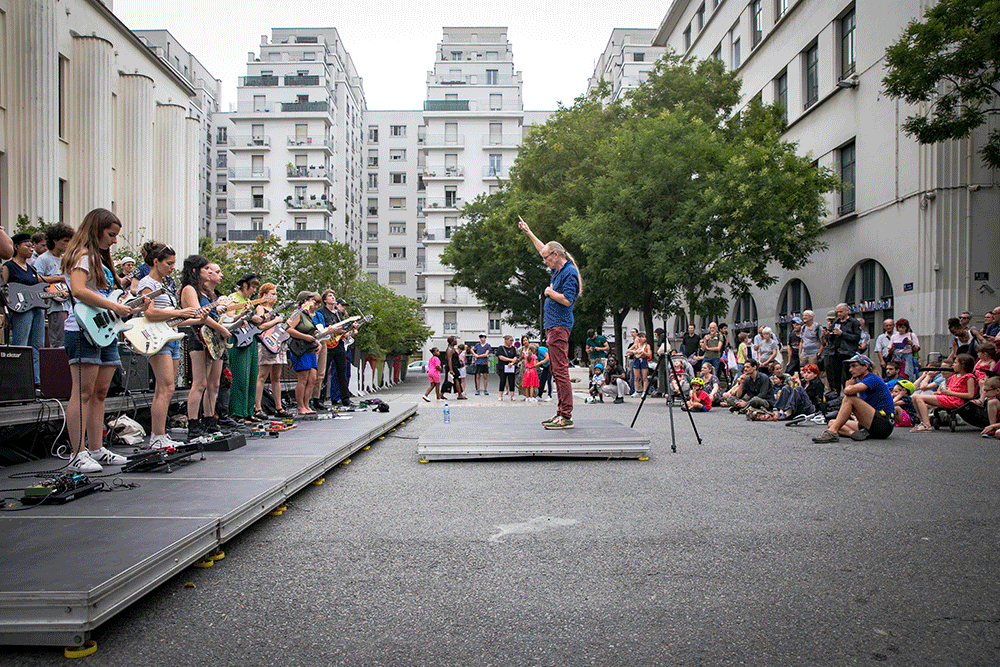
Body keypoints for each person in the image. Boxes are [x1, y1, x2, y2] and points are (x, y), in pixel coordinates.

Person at [61, 209, 145, 472]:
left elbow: (108, 296)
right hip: (82, 330)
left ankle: (96, 449)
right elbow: (78, 290)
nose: (114, 241)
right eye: (111, 234)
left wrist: (129, 306)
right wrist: (115, 307)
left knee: (99, 393)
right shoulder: (83, 255)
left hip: (104, 331)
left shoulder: (100, 259)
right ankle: (78, 452)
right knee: (83, 392)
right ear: (95, 230)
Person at [518, 216, 580, 429]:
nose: (544, 261)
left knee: (560, 371)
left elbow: (568, 299)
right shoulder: (559, 268)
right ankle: (561, 412)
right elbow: (542, 248)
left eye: (546, 258)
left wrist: (549, 292)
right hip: (553, 327)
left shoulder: (569, 273)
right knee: (556, 369)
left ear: (555, 255)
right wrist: (528, 232)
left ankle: (566, 415)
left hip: (559, 327)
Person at [136, 243, 198, 449]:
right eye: (169, 263)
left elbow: (173, 318)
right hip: (156, 338)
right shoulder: (147, 283)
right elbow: (150, 313)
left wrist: (195, 318)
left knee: (168, 388)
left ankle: (160, 433)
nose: (173, 267)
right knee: (164, 387)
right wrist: (180, 312)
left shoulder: (166, 285)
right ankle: (157, 435)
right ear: (156, 262)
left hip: (170, 337)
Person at [179, 257, 229, 440]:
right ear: (195, 271)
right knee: (199, 383)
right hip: (199, 338)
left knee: (214, 383)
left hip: (214, 339)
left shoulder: (207, 291)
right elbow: (199, 315)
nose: (210, 271)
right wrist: (221, 329)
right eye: (205, 268)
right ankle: (193, 423)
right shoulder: (189, 289)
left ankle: (210, 419)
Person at [2, 233, 58, 384]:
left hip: (37, 308)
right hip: (21, 310)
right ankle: (17, 380)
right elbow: (3, 289)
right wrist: (5, 312)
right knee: (21, 343)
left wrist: (58, 293)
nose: (31, 249)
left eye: (31, 246)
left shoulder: (32, 269)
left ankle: (35, 381)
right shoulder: (9, 266)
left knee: (37, 345)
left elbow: (39, 289)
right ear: (16, 247)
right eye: (27, 246)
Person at [811, 354, 895, 442]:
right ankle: (853, 434)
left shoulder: (872, 378)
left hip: (884, 424)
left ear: (865, 366)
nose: (850, 370)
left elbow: (848, 392)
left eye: (854, 366)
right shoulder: (862, 381)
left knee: (849, 399)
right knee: (832, 423)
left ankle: (832, 433)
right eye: (850, 367)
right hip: (870, 423)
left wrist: (848, 386)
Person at [226, 273, 262, 424]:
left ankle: (248, 411)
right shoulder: (233, 297)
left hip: (250, 338)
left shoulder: (248, 301)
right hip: (237, 339)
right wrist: (247, 316)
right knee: (240, 376)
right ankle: (237, 412)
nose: (254, 290)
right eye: (253, 286)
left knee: (251, 375)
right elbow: (229, 317)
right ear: (245, 285)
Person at [909, 354, 977, 432]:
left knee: (919, 397)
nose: (953, 365)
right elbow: (949, 390)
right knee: (914, 397)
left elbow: (970, 395)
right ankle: (923, 422)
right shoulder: (954, 377)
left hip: (955, 400)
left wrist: (951, 393)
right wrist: (941, 393)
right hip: (948, 398)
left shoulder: (969, 377)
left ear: (963, 365)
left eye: (955, 363)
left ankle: (927, 425)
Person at [32, 223, 75, 348]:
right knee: (57, 341)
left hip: (68, 305)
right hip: (54, 306)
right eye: (65, 241)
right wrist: (60, 278)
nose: (68, 244)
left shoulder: (66, 259)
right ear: (54, 241)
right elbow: (36, 279)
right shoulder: (43, 259)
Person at [254, 283, 291, 419]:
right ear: (265, 295)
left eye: (276, 294)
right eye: (273, 294)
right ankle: (257, 407)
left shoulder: (275, 311)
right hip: (265, 343)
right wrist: (275, 321)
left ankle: (278, 406)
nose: (275, 296)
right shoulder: (260, 308)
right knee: (262, 376)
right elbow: (260, 326)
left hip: (277, 343)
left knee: (276, 377)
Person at [286, 291, 320, 416]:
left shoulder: (308, 315)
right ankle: (300, 406)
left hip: (310, 349)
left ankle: (307, 404)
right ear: (304, 301)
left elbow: (310, 331)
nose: (313, 302)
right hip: (300, 349)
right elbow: (288, 329)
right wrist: (305, 337)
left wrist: (317, 342)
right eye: (311, 299)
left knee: (312, 379)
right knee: (303, 378)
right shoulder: (297, 313)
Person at [825, 303, 862, 395]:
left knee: (847, 375)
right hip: (835, 352)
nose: (839, 314)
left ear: (847, 311)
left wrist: (842, 334)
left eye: (841, 312)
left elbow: (856, 338)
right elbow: (830, 339)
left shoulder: (854, 322)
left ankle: (850, 393)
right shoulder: (836, 323)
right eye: (838, 312)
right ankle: (836, 394)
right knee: (835, 375)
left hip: (848, 352)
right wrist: (829, 335)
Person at [312, 289, 337, 412]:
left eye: (317, 303)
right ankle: (309, 400)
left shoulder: (319, 315)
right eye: (314, 303)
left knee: (321, 373)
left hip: (323, 342)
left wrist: (330, 331)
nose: (315, 306)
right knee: (311, 374)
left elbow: (323, 329)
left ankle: (317, 399)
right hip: (312, 343)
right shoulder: (306, 314)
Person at [495, 334, 519, 401]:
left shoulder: (513, 348)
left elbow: (515, 356)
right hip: (503, 367)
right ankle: (500, 395)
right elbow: (501, 357)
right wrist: (510, 360)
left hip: (511, 367)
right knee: (503, 380)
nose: (511, 342)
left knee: (511, 381)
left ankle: (512, 395)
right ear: (506, 340)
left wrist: (512, 362)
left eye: (512, 340)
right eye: (510, 340)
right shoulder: (501, 348)